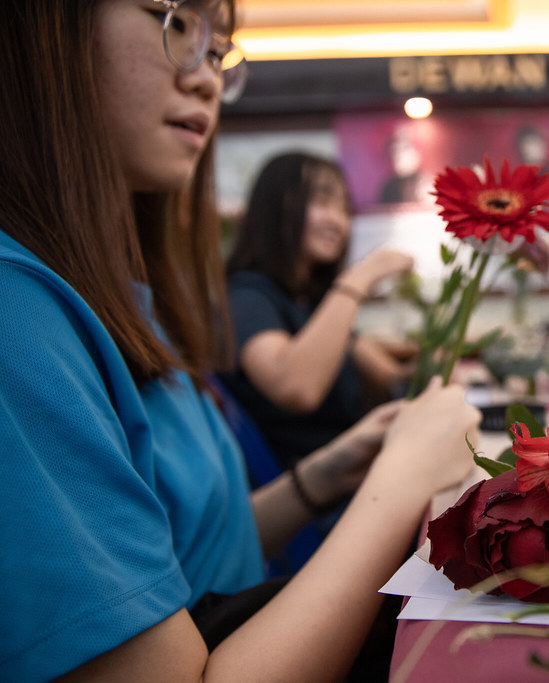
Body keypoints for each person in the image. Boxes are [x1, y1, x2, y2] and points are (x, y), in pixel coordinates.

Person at [0, 2, 480, 681]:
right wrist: (402, 479)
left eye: (218, 51)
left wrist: (324, 475)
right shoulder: (17, 319)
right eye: (174, 21)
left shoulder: (126, 302)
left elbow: (191, 550)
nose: (206, 78)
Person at [221, 151, 416, 470]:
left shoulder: (310, 299)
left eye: (344, 208)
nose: (338, 221)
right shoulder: (246, 296)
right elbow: (296, 389)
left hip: (358, 469)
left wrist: (438, 361)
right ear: (277, 208)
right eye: (323, 202)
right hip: (311, 488)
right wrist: (360, 277)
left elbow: (391, 377)